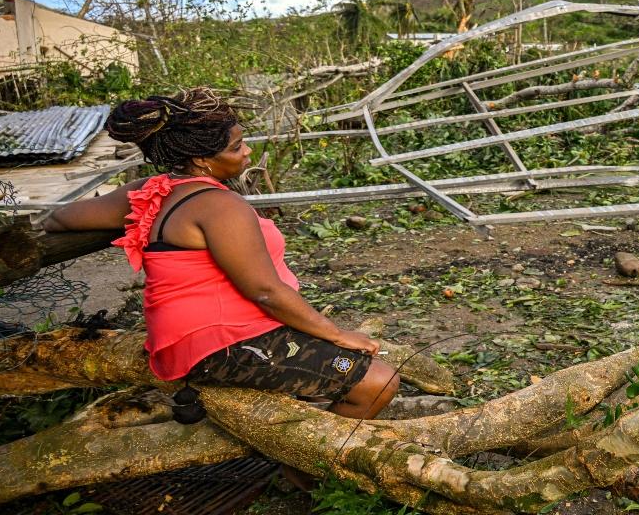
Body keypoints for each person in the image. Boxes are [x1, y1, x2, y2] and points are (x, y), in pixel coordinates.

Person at [44, 87, 398, 419]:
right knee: (378, 382)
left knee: (324, 375)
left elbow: (59, 219)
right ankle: (309, 461)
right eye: (236, 147)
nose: (247, 152)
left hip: (203, 335)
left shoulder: (152, 191)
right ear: (201, 159)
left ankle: (302, 432)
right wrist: (336, 334)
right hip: (220, 344)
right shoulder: (219, 206)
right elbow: (265, 291)